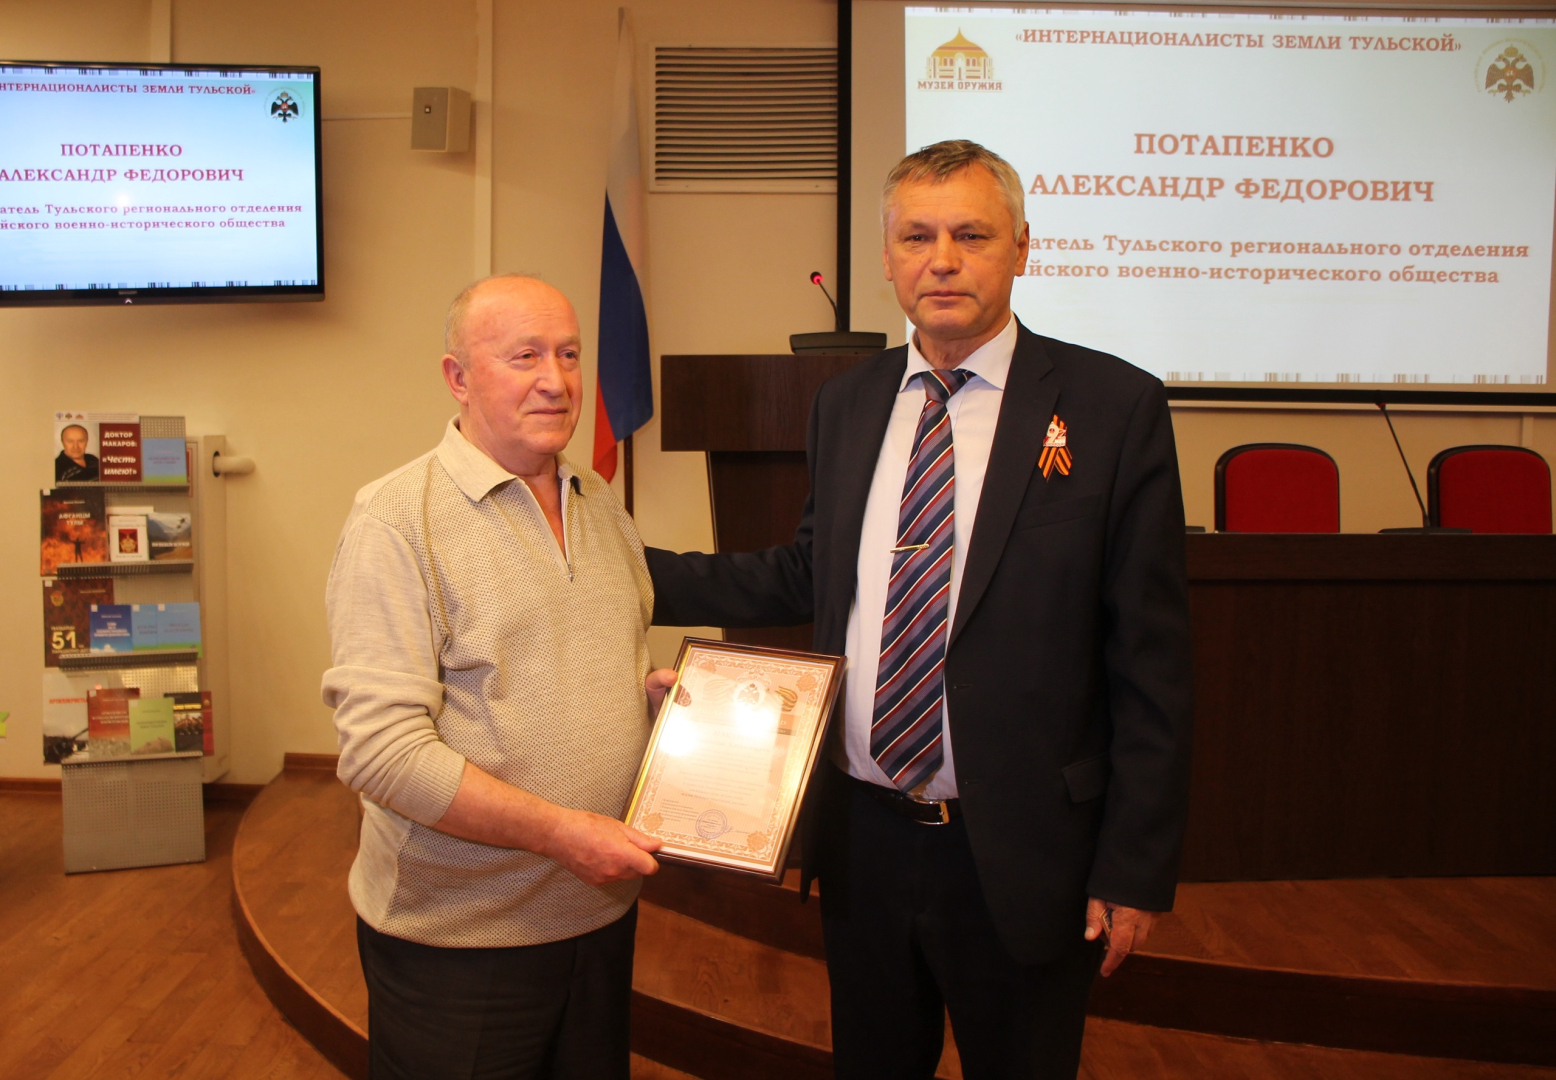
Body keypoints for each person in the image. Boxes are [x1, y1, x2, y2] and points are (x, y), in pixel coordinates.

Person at [644, 140, 1194, 1078]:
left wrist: (1133, 868)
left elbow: (1152, 663)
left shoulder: (1114, 406)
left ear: (1021, 247)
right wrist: (623, 572)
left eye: (971, 235)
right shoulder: (848, 403)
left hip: (1023, 853)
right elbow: (812, 573)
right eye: (917, 237)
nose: (942, 260)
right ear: (889, 257)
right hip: (864, 842)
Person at [322, 274, 667, 1080]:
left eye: (569, 354)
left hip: (599, 914)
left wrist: (646, 700)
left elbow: (580, 662)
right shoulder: (395, 520)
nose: (556, 380)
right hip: (460, 945)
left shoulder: (599, 504)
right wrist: (562, 834)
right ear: (459, 377)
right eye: (524, 356)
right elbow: (382, 753)